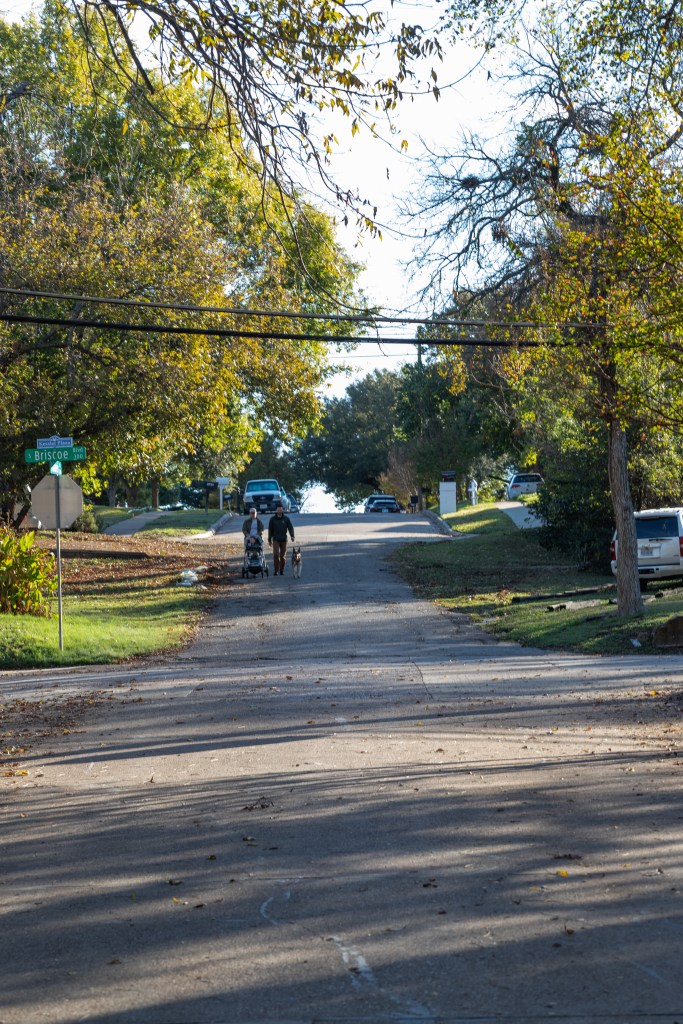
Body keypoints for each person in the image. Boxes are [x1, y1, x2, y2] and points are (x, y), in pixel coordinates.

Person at [268, 502, 295, 575]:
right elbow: (270, 530)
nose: (279, 511)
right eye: (278, 510)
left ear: (282, 510)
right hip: (276, 539)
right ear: (276, 510)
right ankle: (276, 570)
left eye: (281, 510)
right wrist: (269, 539)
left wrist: (292, 536)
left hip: (283, 539)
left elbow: (290, 528)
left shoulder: (286, 519)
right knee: (276, 554)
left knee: (282, 556)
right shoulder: (272, 519)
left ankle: (281, 569)